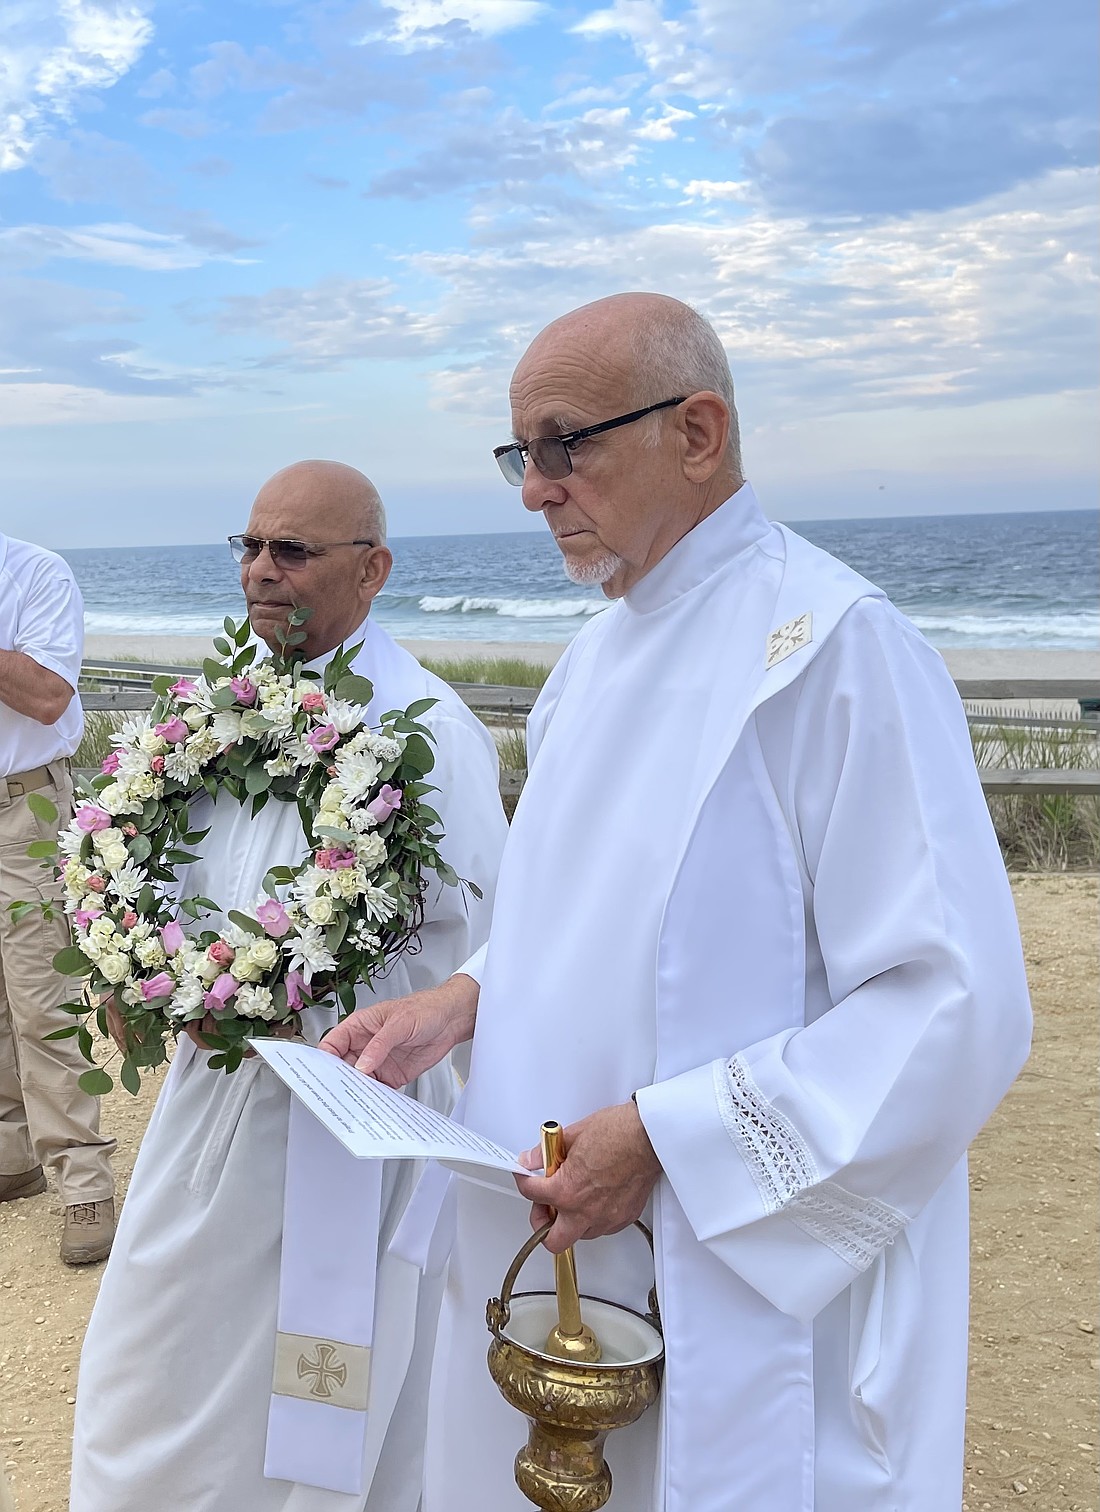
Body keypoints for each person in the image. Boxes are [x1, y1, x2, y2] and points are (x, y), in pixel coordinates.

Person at [324, 296, 1033, 1511]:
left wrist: (664, 1137)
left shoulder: (836, 653)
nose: (534, 488)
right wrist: (461, 998)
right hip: (538, 1208)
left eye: (564, 445)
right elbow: (584, 904)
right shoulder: (593, 657)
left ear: (695, 431)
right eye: (520, 456)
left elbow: (953, 1002)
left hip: (717, 1259)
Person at [70, 461, 509, 1512]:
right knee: (150, 1362)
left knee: (312, 1405)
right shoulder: (220, 713)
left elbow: (491, 935)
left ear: (374, 570)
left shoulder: (427, 732)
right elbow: (173, 870)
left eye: (294, 552)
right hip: (210, 1097)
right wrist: (139, 962)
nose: (262, 573)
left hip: (351, 1110)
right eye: (251, 547)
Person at [0, 531, 116, 1265]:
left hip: (26, 805)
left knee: (44, 995)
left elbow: (46, 696)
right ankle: (12, 1156)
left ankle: (84, 1183)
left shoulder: (36, 572)